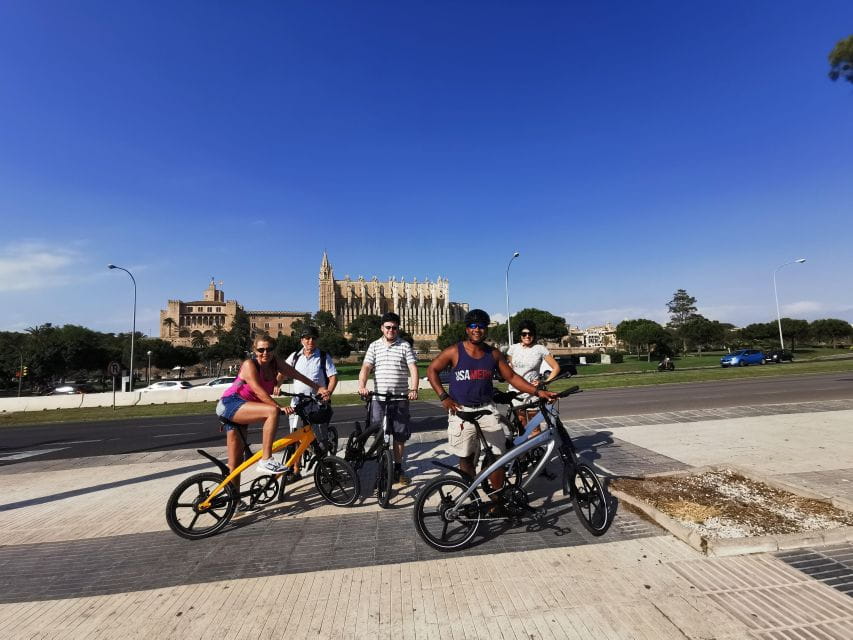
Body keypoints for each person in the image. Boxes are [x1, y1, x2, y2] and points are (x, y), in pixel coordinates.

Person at [426, 309, 557, 495]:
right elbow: (432, 370)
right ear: (467, 329)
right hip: (461, 411)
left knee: (497, 457)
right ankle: (471, 496)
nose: (476, 329)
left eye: (481, 326)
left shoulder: (493, 354)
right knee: (466, 457)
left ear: (486, 330)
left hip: (487, 410)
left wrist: (538, 391)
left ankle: (497, 501)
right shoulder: (455, 351)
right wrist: (443, 396)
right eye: (473, 326)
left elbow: (511, 376)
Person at [216, 335, 330, 481]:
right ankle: (266, 459)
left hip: (245, 409)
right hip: (230, 404)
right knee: (272, 411)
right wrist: (279, 407)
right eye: (261, 349)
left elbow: (297, 375)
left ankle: (235, 501)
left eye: (269, 349)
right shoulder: (249, 365)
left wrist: (318, 387)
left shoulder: (276, 363)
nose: (265, 353)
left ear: (274, 350)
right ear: (254, 350)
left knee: (235, 463)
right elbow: (258, 391)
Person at [357, 312, 419, 486]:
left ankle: (398, 469)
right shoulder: (374, 346)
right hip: (379, 398)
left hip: (399, 398)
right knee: (379, 435)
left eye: (394, 328)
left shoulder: (405, 346)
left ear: (398, 328)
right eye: (388, 327)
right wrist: (362, 385)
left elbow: (413, 368)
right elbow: (366, 367)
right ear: (382, 328)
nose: (391, 330)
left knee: (399, 436)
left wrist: (413, 389)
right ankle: (381, 468)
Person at [281, 325, 338, 433]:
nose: (310, 341)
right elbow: (282, 373)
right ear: (301, 340)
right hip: (297, 404)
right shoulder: (294, 356)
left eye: (314, 338)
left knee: (319, 438)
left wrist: (328, 393)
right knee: (295, 436)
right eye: (307, 338)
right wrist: (277, 385)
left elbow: (333, 377)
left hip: (317, 404)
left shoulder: (323, 356)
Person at [506, 320, 560, 431]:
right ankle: (525, 448)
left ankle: (536, 448)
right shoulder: (513, 348)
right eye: (524, 334)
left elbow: (556, 368)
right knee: (522, 427)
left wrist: (545, 382)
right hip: (516, 392)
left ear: (534, 335)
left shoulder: (540, 349)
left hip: (533, 392)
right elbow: (510, 368)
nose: (527, 336)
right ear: (520, 335)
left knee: (534, 427)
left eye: (530, 334)